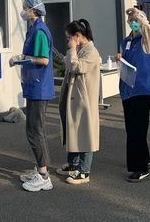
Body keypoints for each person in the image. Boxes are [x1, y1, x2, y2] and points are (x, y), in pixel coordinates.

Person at [9, 0, 55, 192]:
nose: (23, 11)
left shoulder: (40, 31)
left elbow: (43, 60)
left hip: (39, 87)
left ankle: (43, 175)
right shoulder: (34, 29)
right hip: (34, 85)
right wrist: (23, 57)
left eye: (25, 8)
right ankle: (39, 168)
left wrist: (22, 60)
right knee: (33, 128)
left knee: (36, 130)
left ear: (33, 10)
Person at [56, 19, 100, 185]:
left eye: (69, 37)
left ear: (78, 36)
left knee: (85, 134)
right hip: (74, 97)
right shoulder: (80, 50)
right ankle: (73, 164)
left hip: (84, 100)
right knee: (73, 131)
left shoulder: (91, 52)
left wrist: (72, 49)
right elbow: (68, 63)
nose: (68, 41)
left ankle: (84, 171)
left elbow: (76, 67)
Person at [115, 8, 150, 183]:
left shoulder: (146, 38)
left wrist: (138, 14)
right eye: (131, 20)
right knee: (132, 128)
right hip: (127, 88)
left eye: (136, 21)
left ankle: (140, 168)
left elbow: (148, 29)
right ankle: (145, 157)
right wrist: (119, 58)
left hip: (142, 89)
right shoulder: (125, 41)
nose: (133, 23)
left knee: (137, 130)